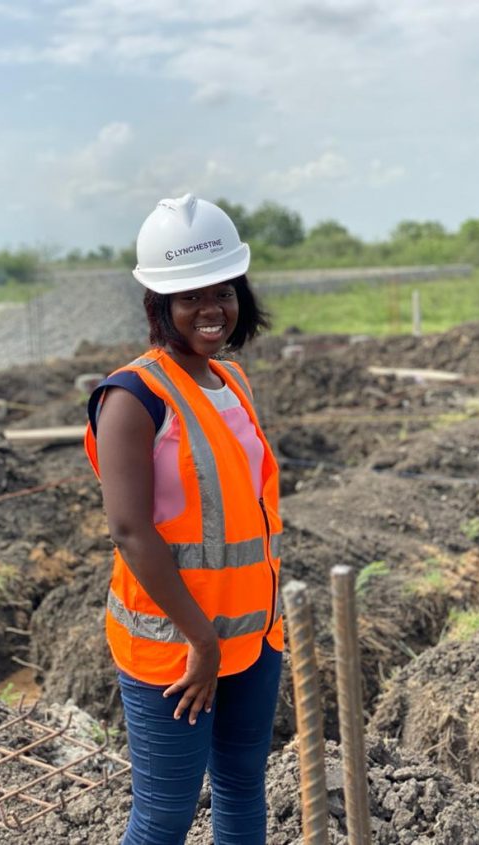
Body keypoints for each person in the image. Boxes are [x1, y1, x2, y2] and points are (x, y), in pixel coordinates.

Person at [84, 193, 283, 845]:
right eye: (190, 296)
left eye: (222, 292)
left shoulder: (234, 383)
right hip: (176, 647)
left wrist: (250, 630)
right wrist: (201, 640)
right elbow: (130, 531)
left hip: (253, 637)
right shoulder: (132, 396)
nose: (211, 309)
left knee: (242, 789)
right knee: (164, 818)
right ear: (160, 304)